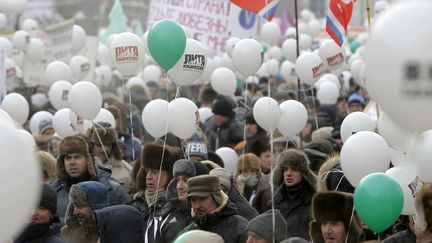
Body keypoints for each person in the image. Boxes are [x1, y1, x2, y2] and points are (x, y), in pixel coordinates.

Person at [50, 136, 129, 222]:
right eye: (68, 158)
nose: (72, 162)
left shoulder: (112, 190)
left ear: (88, 160)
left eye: (77, 157)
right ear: (62, 162)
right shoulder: (53, 192)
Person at [129, 142, 178, 243]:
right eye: (147, 171)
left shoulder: (174, 205)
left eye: (155, 172)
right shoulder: (136, 203)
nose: (149, 177)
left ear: (169, 175)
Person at [180, 175, 248, 243]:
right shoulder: (186, 234)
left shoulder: (240, 229)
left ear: (216, 198)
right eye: (193, 200)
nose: (197, 206)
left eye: (202, 199)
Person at [157, 159, 210, 243]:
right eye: (178, 180)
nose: (179, 186)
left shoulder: (213, 217)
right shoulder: (167, 217)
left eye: (185, 180)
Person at [269, 149, 317, 240]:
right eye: (285, 169)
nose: (288, 174)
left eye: (294, 169)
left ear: (303, 173)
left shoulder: (314, 199)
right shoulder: (275, 200)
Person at [86, 123, 133, 189]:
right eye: (99, 145)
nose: (103, 150)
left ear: (113, 146)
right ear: (90, 146)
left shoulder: (127, 170)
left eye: (107, 145)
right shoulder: (82, 168)